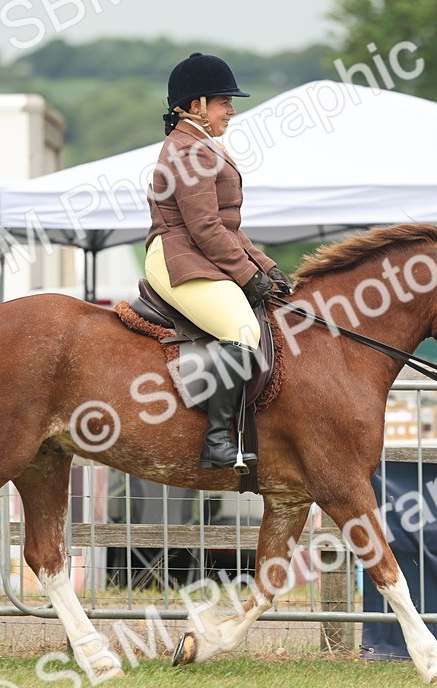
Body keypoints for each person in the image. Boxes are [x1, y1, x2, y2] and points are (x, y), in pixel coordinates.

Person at [145, 53, 292, 471]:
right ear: (196, 107)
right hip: (177, 256)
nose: (232, 109)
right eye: (224, 102)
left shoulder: (201, 145)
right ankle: (217, 441)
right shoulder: (190, 151)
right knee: (242, 330)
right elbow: (205, 227)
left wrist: (265, 266)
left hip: (197, 250)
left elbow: (228, 226)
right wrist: (248, 277)